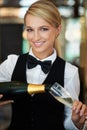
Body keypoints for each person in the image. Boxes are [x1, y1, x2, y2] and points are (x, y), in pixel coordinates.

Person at [0, 0, 87, 130]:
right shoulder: (11, 64)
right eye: (30, 29)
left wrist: (77, 122)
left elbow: (69, 123)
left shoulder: (70, 72)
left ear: (58, 29)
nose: (36, 37)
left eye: (43, 29)